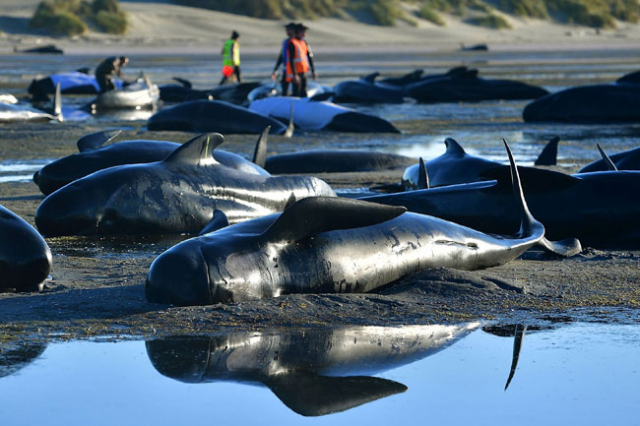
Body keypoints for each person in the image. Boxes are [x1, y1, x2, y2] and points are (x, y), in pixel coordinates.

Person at [286, 23, 317, 97]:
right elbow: (291, 60)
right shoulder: (292, 43)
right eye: (303, 31)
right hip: (296, 73)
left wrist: (313, 71)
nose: (305, 33)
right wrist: (294, 75)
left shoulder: (304, 42)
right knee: (296, 92)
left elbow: (309, 57)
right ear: (298, 32)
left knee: (304, 91)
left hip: (303, 72)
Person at [271, 22, 296, 96]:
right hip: (286, 70)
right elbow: (281, 56)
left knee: (296, 91)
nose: (287, 31)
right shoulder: (286, 42)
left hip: (296, 71)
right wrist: (275, 69)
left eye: (289, 29)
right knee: (284, 89)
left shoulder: (297, 42)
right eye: (287, 29)